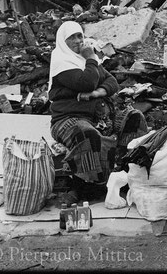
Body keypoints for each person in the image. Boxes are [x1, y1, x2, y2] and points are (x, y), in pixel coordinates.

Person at [48, 21, 120, 203]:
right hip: (67, 119)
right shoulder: (61, 61)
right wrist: (91, 58)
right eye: (72, 37)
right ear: (63, 41)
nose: (78, 41)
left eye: (80, 36)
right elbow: (86, 82)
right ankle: (86, 187)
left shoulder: (86, 61)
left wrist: (96, 93)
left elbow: (112, 82)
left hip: (96, 117)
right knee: (86, 133)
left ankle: (125, 176)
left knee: (133, 119)